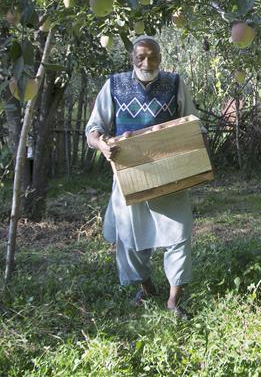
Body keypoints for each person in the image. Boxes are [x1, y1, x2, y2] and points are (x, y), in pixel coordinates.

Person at [85, 35, 201, 319]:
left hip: (170, 172)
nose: (146, 62)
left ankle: (174, 301)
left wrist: (198, 155)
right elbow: (93, 129)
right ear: (132, 58)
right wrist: (102, 145)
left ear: (160, 57)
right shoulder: (114, 85)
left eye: (152, 57)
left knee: (178, 234)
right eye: (141, 57)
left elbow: (193, 121)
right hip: (130, 173)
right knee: (129, 237)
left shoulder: (175, 84)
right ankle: (147, 287)